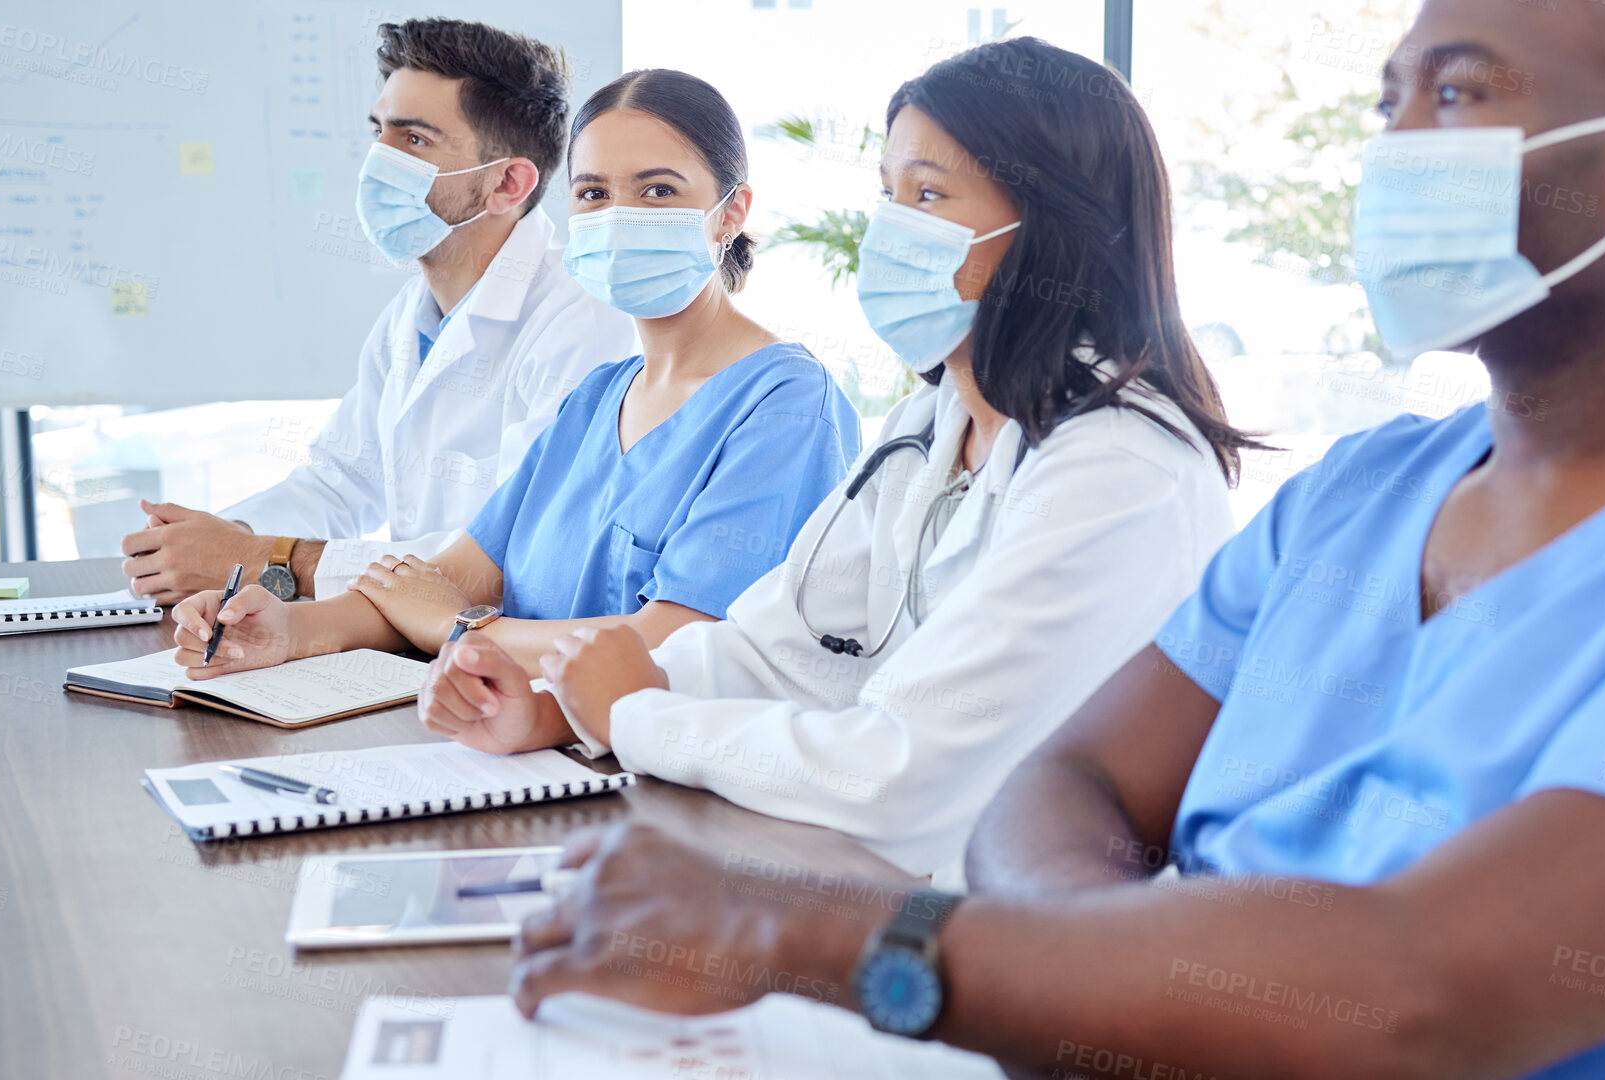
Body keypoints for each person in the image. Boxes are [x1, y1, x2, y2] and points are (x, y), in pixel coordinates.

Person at [499, 5, 1605, 1079]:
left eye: (1456, 98)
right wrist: (1131, 989)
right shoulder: (1354, 496)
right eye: (1383, 105)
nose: (1395, 151)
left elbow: (1415, 997)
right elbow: (1060, 783)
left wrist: (812, 933)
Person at [422, 38, 1249, 878]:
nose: (888, 227)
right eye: (887, 192)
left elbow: (901, 772)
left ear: (1053, 229)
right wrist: (559, 708)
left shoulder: (1121, 468)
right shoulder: (928, 429)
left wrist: (631, 713)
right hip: (872, 893)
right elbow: (774, 651)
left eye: (927, 193)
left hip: (1023, 953)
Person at [168, 70, 860, 682]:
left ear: (731, 212)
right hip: (519, 749)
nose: (619, 217)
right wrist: (284, 631)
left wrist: (464, 630)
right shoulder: (598, 398)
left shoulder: (784, 406)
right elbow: (457, 578)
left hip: (661, 791)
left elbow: (677, 644)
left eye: (657, 189)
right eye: (593, 193)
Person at [119, 18, 636, 605]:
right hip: (416, 643)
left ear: (508, 183)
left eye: (414, 140)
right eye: (379, 131)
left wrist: (258, 559)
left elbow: (508, 556)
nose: (376, 162)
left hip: (518, 666)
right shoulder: (408, 317)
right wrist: (213, 540)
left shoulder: (586, 322)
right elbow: (338, 486)